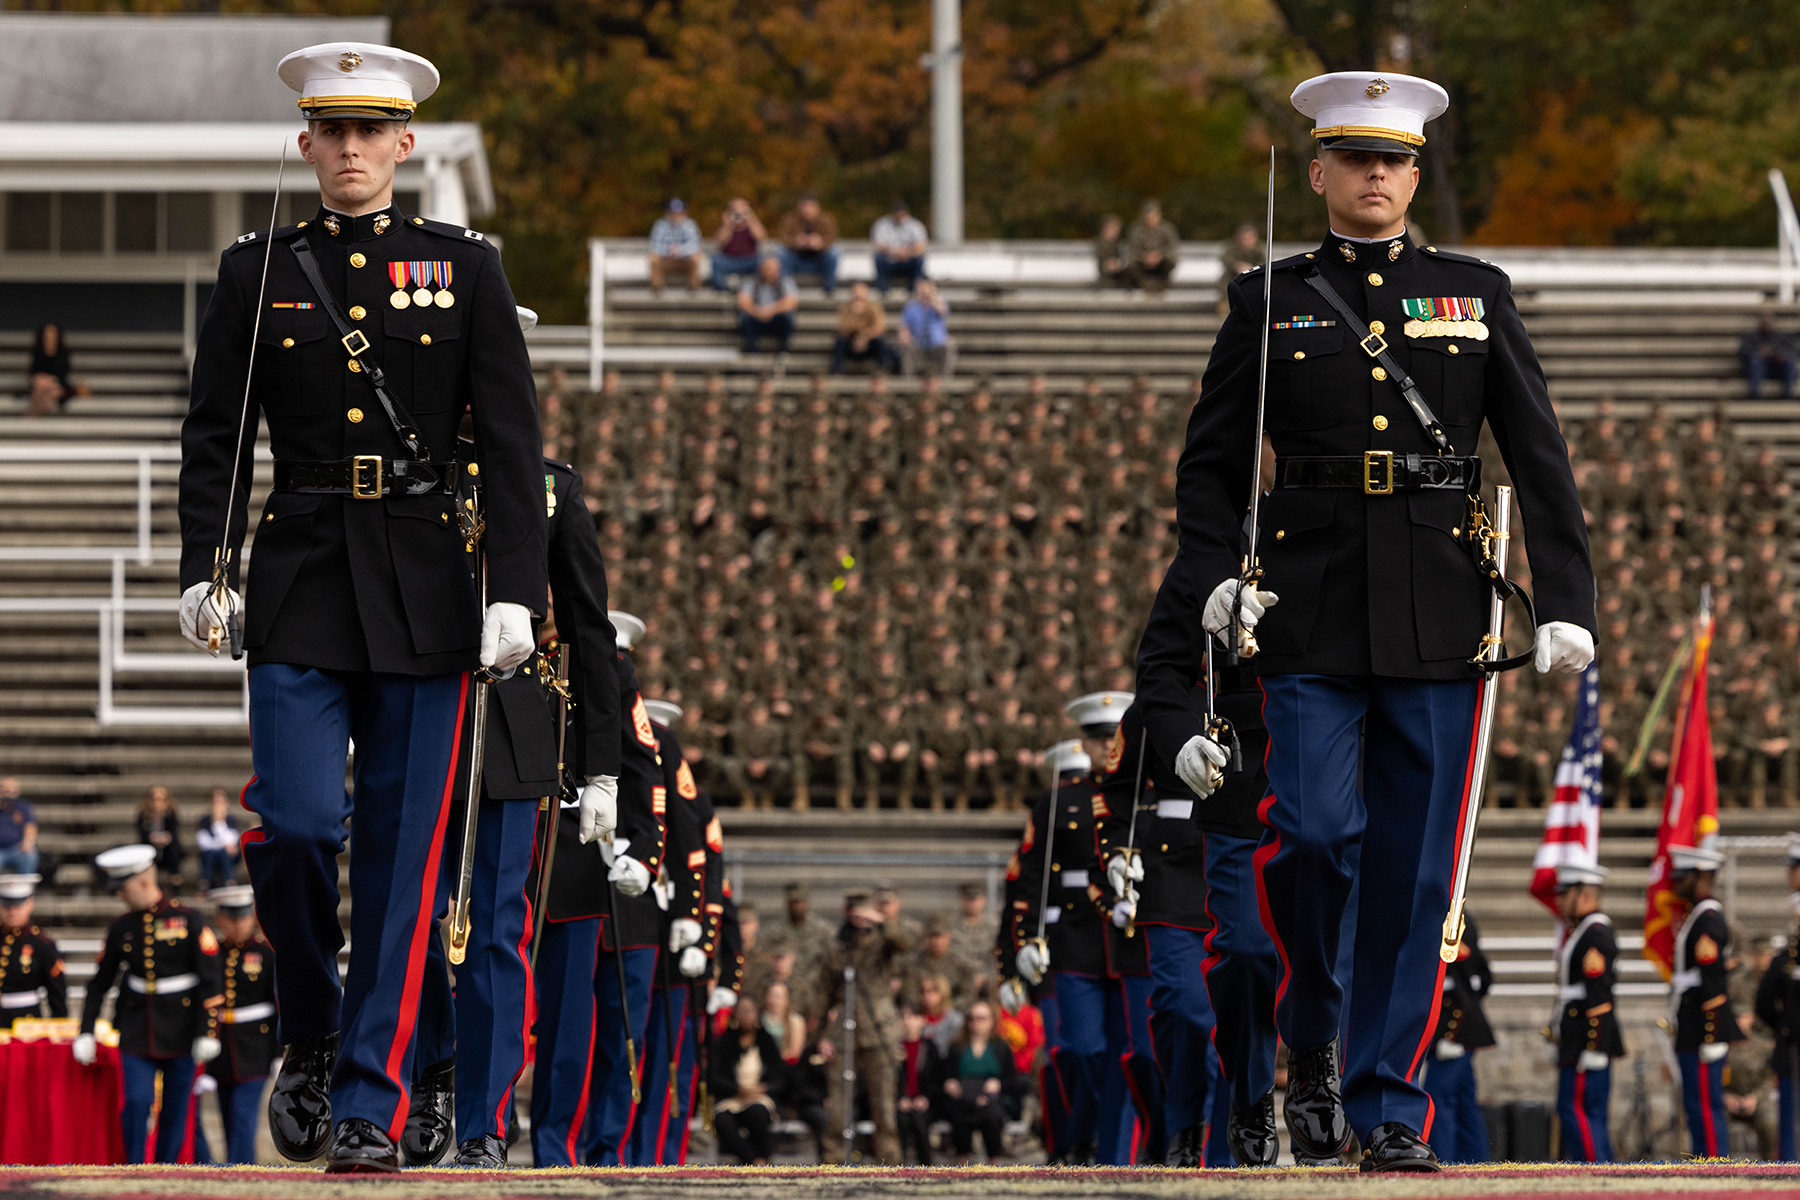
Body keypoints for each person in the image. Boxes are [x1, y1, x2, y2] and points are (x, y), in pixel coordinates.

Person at [1171, 71, 1596, 1172]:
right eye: (1353, 158)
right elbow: (1211, 465)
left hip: (1441, 615)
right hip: (1307, 607)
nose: (1374, 175)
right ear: (1318, 172)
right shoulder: (1268, 297)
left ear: (1413, 176)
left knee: (1413, 881)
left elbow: (1538, 457)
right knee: (1310, 836)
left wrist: (1567, 602)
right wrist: (1216, 573)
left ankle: (1385, 1107)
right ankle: (1310, 1032)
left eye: (1393, 160)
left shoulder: (1475, 291)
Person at [176, 42, 548, 1173]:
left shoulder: (465, 269)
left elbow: (516, 445)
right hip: (298, 573)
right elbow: (215, 435)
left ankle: (369, 1102)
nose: (346, 149)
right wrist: (205, 563)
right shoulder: (259, 270)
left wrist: (518, 595)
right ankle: (311, 1025)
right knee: (293, 825)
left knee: (402, 864)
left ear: (404, 145)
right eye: (327, 130)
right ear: (306, 143)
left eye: (366, 130)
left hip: (430, 583)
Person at [407, 449, 623, 1168]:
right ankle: (434, 1061)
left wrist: (601, 768)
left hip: (511, 731)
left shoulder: (550, 486)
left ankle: (484, 1122)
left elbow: (590, 628)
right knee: (408, 922)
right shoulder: (409, 462)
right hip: (416, 713)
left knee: (497, 935)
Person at [1129, 556, 1287, 1167]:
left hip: (1289, 804)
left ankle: (1296, 1118)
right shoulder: (1168, 705)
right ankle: (1203, 1123)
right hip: (1187, 866)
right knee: (1197, 1007)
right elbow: (1119, 791)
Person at [530, 614, 665, 1167]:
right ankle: (477, 1133)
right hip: (512, 842)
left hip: (573, 852)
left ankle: (552, 1150)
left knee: (568, 1022)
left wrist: (645, 851)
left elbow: (640, 766)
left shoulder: (606, 667)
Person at [75, 845, 223, 1164]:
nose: (119, 896)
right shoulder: (122, 927)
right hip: (137, 1028)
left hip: (184, 1030)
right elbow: (101, 982)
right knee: (136, 1101)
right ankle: (132, 1166)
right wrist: (85, 1030)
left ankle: (166, 1170)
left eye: (123, 888)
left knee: (175, 1109)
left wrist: (207, 1032)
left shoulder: (188, 919)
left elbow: (211, 981)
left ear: (143, 882)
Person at [999, 739, 1107, 1164]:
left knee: (1096, 1054)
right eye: (1068, 782)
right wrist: (1010, 970)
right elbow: (1017, 907)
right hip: (1053, 954)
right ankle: (1065, 1139)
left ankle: (1092, 1135)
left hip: (1101, 945)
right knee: (1062, 1054)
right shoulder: (1044, 829)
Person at [817, 888, 909, 1164]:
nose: (858, 919)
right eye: (853, 912)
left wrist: (882, 920)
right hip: (843, 1033)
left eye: (863, 912)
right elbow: (822, 996)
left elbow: (905, 942)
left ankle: (890, 1162)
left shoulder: (884, 944)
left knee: (884, 1107)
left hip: (880, 1031)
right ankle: (833, 1161)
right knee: (838, 1107)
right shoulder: (837, 950)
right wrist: (821, 1035)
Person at [1668, 844, 1744, 1157]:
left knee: (1704, 1103)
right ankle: (1704, 1163)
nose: (1676, 883)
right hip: (1691, 1023)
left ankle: (1715, 1166)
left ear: (1701, 877)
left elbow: (1713, 979)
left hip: (1703, 1027)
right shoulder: (1697, 916)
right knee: (1694, 1103)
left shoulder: (1708, 918)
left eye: (1683, 877)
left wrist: (1712, 1034)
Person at [1554, 863, 1624, 1162]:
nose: (1558, 900)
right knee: (1584, 1109)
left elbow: (1598, 994)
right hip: (1577, 1035)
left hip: (1586, 1037)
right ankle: (1599, 1169)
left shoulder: (1595, 933)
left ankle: (1593, 1170)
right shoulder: (1584, 930)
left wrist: (1594, 1044)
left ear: (1583, 894)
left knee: (1577, 1107)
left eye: (1565, 893)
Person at [206, 885, 278, 1164]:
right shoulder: (213, 952)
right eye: (232, 917)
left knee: (242, 1116)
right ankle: (227, 1169)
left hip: (255, 1048)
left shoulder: (266, 953)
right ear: (220, 919)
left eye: (244, 917)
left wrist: (278, 1052)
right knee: (226, 1115)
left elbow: (280, 1007)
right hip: (220, 1045)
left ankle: (239, 1171)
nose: (239, 923)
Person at [1422, 914, 1495, 1163]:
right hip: (1452, 1031)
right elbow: (1482, 978)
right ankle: (1475, 1162)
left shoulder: (1452, 920)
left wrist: (1451, 1034)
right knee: (1465, 1104)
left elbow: (1463, 986)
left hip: (1453, 1032)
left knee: (1437, 1098)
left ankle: (1444, 1161)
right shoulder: (1449, 917)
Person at [1754, 833, 1800, 1161]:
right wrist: (1785, 1027)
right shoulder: (1788, 955)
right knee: (1789, 1133)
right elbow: (1764, 999)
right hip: (1793, 1047)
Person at [711, 994, 788, 1164]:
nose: (746, 1016)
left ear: (757, 1014)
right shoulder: (723, 1043)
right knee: (722, 1120)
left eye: (750, 1011)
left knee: (756, 1112)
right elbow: (715, 1077)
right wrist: (737, 1089)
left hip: (760, 1096)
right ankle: (755, 1160)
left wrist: (763, 1088)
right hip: (732, 1097)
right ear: (734, 1015)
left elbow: (780, 1077)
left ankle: (762, 1156)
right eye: (742, 1011)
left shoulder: (767, 1042)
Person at [941, 1000, 1020, 1163]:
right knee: (960, 1113)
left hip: (993, 1098)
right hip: (963, 1097)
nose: (976, 1023)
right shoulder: (957, 1047)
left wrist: (998, 1084)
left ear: (991, 1021)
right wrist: (950, 1084)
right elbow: (945, 1076)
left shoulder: (1001, 1047)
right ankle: (963, 1161)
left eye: (981, 1018)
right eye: (972, 1018)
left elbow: (1012, 1080)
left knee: (991, 1113)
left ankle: (993, 1162)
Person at [0, 872, 66, 1020]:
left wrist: (60, 1029)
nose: (12, 912)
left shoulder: (42, 944)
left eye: (18, 905)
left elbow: (57, 994)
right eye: (6, 906)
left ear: (30, 904)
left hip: (27, 1021)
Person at [896, 1006, 942, 1164]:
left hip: (925, 1102)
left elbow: (937, 1079)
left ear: (922, 1020)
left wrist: (926, 1098)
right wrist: (900, 1098)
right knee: (901, 1121)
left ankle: (925, 1166)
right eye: (903, 1017)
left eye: (912, 1017)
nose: (907, 1022)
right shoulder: (894, 1048)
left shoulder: (929, 1048)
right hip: (901, 1103)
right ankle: (898, 1166)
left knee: (920, 1120)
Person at [779, 193, 840, 295]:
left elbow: (833, 239)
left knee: (834, 253)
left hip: (819, 260)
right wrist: (796, 242)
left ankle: (829, 289)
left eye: (810, 207)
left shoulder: (827, 220)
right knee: (781, 254)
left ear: (817, 208)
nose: (807, 210)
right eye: (804, 206)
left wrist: (820, 243)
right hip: (796, 259)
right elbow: (782, 238)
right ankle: (785, 289)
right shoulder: (789, 219)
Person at [737, 256, 799, 355]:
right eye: (767, 268)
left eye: (773, 269)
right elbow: (743, 301)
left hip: (776, 319)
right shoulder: (750, 281)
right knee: (744, 318)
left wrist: (770, 310)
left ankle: (783, 350)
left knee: (788, 317)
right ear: (761, 268)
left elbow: (791, 302)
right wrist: (757, 311)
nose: (770, 271)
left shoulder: (786, 281)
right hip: (756, 318)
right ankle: (753, 351)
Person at [25, 322, 83, 416]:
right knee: (42, 387)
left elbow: (63, 374)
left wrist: (49, 380)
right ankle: (35, 415)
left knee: (50, 390)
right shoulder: (38, 352)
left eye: (52, 334)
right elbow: (34, 372)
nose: (49, 337)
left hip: (58, 386)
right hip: (41, 385)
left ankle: (31, 415)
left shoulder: (63, 353)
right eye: (47, 334)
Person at [648, 198, 705, 294]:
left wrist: (680, 250)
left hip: (684, 261)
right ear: (667, 212)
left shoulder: (690, 225)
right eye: (673, 213)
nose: (676, 216)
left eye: (679, 213)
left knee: (697, 257)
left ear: (684, 212)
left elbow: (695, 245)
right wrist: (668, 250)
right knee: (653, 258)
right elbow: (655, 245)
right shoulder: (660, 225)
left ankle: (693, 287)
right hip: (666, 260)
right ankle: (657, 288)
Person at [871, 200, 928, 296]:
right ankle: (883, 290)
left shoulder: (915, 226)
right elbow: (878, 246)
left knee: (919, 259)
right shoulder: (882, 225)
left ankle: (913, 290)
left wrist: (906, 253)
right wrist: (895, 252)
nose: (899, 217)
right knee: (878, 258)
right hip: (889, 260)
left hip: (908, 260)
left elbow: (920, 247)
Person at [830, 281, 888, 374]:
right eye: (856, 293)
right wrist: (853, 316)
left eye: (861, 293)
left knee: (879, 342)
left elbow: (880, 327)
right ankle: (837, 372)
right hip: (851, 342)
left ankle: (883, 371)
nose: (858, 297)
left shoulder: (875, 306)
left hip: (869, 342)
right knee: (840, 342)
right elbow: (841, 329)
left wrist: (864, 336)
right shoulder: (844, 307)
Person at [136, 785, 186, 893]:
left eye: (160, 799)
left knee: (174, 848)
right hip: (151, 850)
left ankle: (175, 881)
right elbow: (143, 837)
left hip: (167, 852)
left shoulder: (171, 815)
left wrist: (165, 839)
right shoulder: (143, 816)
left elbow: (173, 835)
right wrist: (153, 839)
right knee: (146, 851)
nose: (157, 803)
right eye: (154, 799)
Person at [898, 280, 953, 378]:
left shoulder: (940, 303)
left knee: (949, 346)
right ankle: (907, 381)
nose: (923, 291)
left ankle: (945, 380)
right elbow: (904, 328)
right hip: (918, 345)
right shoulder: (910, 307)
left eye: (926, 288)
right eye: (920, 288)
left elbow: (942, 311)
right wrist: (905, 338)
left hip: (936, 345)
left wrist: (932, 300)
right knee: (906, 348)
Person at [712, 198, 768, 291]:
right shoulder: (726, 225)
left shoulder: (752, 224)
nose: (739, 215)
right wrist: (728, 224)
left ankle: (757, 290)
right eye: (735, 211)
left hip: (749, 260)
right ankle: (721, 290)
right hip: (729, 260)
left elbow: (761, 237)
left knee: (762, 261)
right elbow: (720, 242)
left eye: (742, 211)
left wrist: (751, 219)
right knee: (716, 261)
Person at [1124, 201, 1179, 295]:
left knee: (1169, 262)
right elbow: (1132, 249)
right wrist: (1144, 257)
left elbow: (1173, 247)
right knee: (1132, 267)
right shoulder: (1136, 229)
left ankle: (1161, 286)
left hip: (1161, 261)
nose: (1150, 220)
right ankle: (1144, 286)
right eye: (1147, 217)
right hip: (1142, 262)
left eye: (1153, 217)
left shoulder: (1167, 229)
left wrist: (1158, 256)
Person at [194, 787, 241, 892]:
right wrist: (223, 845)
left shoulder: (232, 820)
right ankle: (205, 884)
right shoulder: (204, 821)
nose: (218, 805)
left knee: (223, 853)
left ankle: (229, 882)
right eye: (215, 802)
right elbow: (204, 843)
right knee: (211, 853)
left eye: (220, 802)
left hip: (227, 856)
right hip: (210, 855)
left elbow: (232, 842)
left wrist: (218, 823)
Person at [1741, 312, 1798, 399]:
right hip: (1760, 370)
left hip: (1779, 369)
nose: (1767, 324)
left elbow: (1793, 350)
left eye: (1769, 321)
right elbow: (1743, 351)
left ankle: (1788, 395)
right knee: (1755, 359)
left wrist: (1779, 355)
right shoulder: (1751, 337)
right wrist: (1759, 353)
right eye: (1764, 322)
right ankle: (1755, 395)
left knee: (1790, 359)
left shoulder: (1784, 337)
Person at [0, 778, 38, 876]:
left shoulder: (22, 806)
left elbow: (30, 826)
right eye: (6, 791)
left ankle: (24, 889)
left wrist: (28, 842)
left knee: (30, 855)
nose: (9, 796)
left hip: (16, 849)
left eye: (13, 792)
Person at [1095, 216, 1128, 288]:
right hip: (1107, 282)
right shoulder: (1101, 244)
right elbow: (1102, 265)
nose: (1116, 232)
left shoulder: (1118, 244)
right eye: (1113, 228)